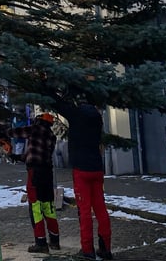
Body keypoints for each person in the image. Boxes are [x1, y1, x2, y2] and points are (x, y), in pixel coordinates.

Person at [8, 113, 59, 253]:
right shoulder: (51, 136)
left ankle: (41, 243)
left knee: (35, 207)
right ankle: (54, 240)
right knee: (48, 206)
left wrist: (4, 131)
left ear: (39, 121)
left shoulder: (35, 129)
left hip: (35, 173)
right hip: (47, 173)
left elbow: (17, 132)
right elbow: (34, 154)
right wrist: (17, 157)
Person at [70, 101, 112, 260]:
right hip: (96, 167)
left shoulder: (77, 119)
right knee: (101, 208)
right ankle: (106, 247)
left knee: (85, 210)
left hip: (81, 169)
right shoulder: (97, 119)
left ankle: (87, 249)